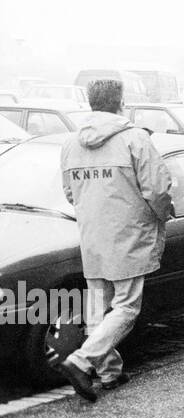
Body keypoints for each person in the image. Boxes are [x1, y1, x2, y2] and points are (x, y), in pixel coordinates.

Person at [56, 78, 174, 401]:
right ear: (120, 102)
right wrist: (163, 215)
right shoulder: (135, 140)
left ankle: (109, 373)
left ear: (92, 102)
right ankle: (81, 361)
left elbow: (70, 193)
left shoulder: (71, 144)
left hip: (92, 237)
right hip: (129, 236)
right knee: (125, 307)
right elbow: (158, 190)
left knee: (97, 307)